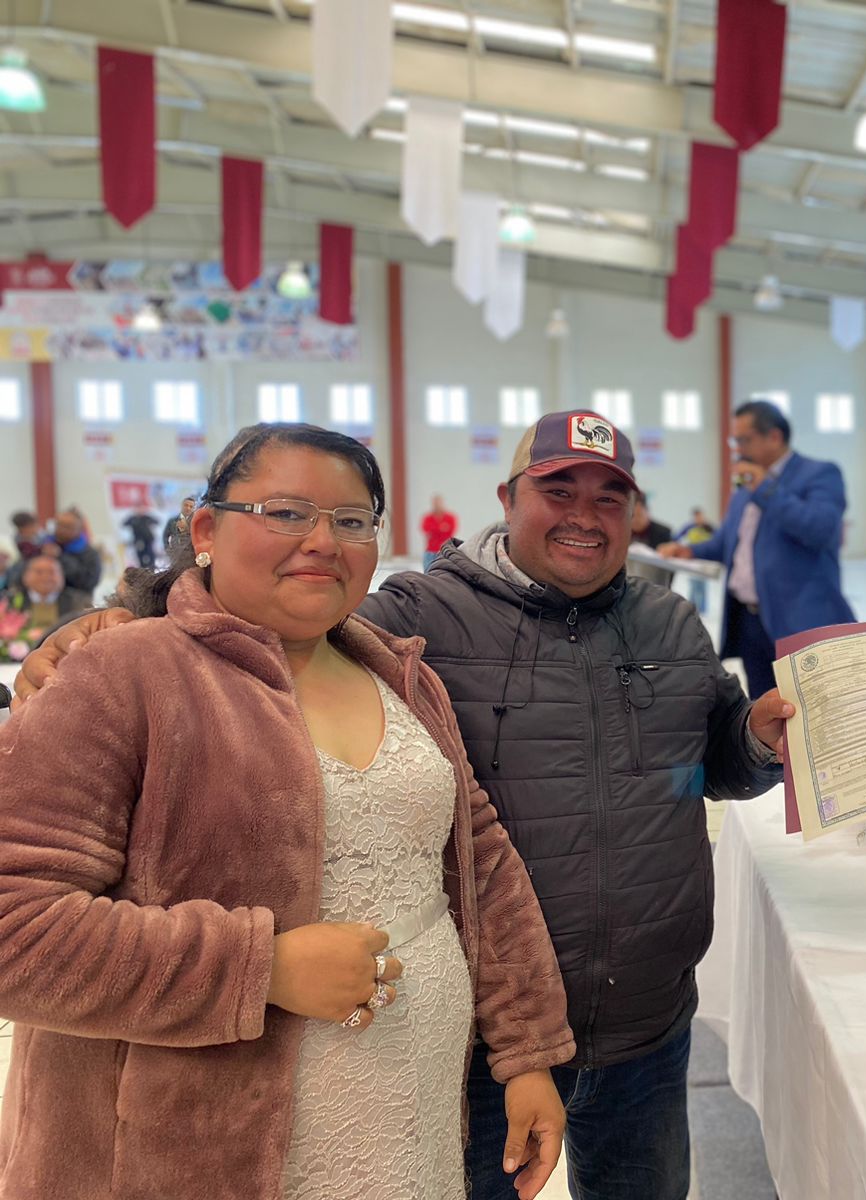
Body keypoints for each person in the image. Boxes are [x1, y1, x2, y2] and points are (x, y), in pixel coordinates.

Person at [15, 409, 793, 1200]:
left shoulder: (658, 624)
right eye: (559, 491)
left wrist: (756, 742)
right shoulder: (418, 621)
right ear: (508, 499)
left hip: (641, 1022)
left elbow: (690, 764)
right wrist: (104, 626)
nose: (583, 516)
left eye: (609, 498)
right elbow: (251, 623)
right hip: (450, 1056)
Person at [0, 422, 573, 1200]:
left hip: (411, 1107)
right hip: (195, 1146)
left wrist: (527, 1051)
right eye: (286, 512)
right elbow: (15, 930)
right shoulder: (124, 672)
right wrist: (258, 969)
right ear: (207, 530)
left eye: (351, 520)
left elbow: (482, 864)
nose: (323, 542)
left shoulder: (402, 677)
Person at [660, 399, 855, 699]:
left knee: (810, 709)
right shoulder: (746, 486)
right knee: (765, 709)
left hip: (799, 622)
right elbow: (729, 543)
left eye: (744, 440)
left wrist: (765, 489)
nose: (738, 448)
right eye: (734, 441)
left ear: (774, 436)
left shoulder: (819, 474)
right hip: (750, 623)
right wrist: (690, 551)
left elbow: (820, 529)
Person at [1, 555, 91, 658]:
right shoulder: (9, 601)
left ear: (62, 576)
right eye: (39, 572)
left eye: (52, 572)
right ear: (25, 576)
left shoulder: (80, 602)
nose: (46, 577)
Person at [44, 508, 101, 597]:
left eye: (67, 527)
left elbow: (88, 582)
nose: (62, 530)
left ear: (79, 530)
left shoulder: (90, 554)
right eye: (59, 525)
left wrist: (61, 557)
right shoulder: (45, 546)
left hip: (77, 601)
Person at [421, 493, 459, 572]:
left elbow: (450, 532)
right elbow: (426, 530)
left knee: (446, 573)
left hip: (445, 551)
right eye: (435, 503)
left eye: (438, 503)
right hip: (431, 551)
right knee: (428, 573)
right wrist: (441, 528)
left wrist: (435, 530)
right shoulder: (427, 518)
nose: (437, 505)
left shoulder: (450, 517)